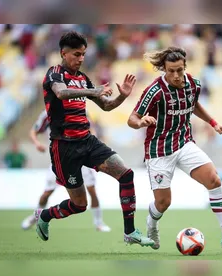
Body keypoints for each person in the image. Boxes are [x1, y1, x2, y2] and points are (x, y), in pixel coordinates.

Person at [35, 30, 154, 248]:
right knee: (80, 205)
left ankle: (130, 233)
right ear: (63, 53)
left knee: (126, 175)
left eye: (83, 54)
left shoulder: (83, 79)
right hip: (64, 148)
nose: (81, 59)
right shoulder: (54, 74)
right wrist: (93, 92)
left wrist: (122, 96)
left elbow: (107, 106)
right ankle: (45, 215)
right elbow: (61, 93)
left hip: (87, 142)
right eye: (76, 54)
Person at [127, 46, 222, 251]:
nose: (176, 75)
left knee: (214, 180)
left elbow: (194, 104)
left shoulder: (193, 84)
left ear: (184, 67)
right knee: (163, 203)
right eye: (171, 70)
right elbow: (132, 119)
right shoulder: (154, 91)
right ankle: (151, 223)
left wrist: (213, 123)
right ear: (164, 69)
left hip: (184, 142)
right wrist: (141, 121)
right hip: (159, 150)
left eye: (179, 70)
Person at [21, 110, 111, 232]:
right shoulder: (47, 113)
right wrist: (37, 143)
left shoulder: (78, 108)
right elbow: (34, 131)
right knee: (46, 193)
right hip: (59, 159)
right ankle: (35, 217)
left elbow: (91, 128)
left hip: (82, 158)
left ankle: (98, 223)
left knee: (92, 190)